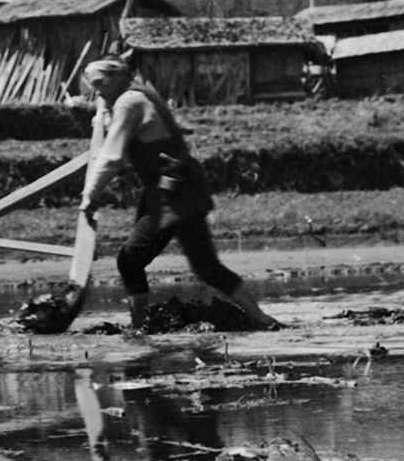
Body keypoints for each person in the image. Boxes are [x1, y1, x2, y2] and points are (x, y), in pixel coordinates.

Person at [76, 57, 282, 330]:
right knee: (206, 267)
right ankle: (263, 319)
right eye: (94, 86)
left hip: (172, 195)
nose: (98, 91)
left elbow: (113, 157)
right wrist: (102, 115)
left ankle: (139, 328)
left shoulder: (129, 102)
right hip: (179, 187)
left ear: (118, 77)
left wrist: (89, 195)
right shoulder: (138, 96)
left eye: (101, 84)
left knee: (130, 260)